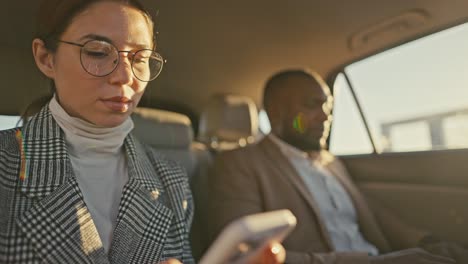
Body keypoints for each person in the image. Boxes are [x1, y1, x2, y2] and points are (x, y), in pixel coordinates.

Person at [0, 1, 285, 263]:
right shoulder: (6, 165)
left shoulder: (171, 181)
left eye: (140, 59)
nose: (125, 77)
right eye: (98, 52)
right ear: (45, 58)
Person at [199, 69, 468, 263]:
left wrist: (427, 243)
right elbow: (245, 254)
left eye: (327, 105)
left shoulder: (331, 162)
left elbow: (374, 215)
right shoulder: (240, 164)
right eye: (312, 105)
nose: (326, 115)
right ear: (276, 110)